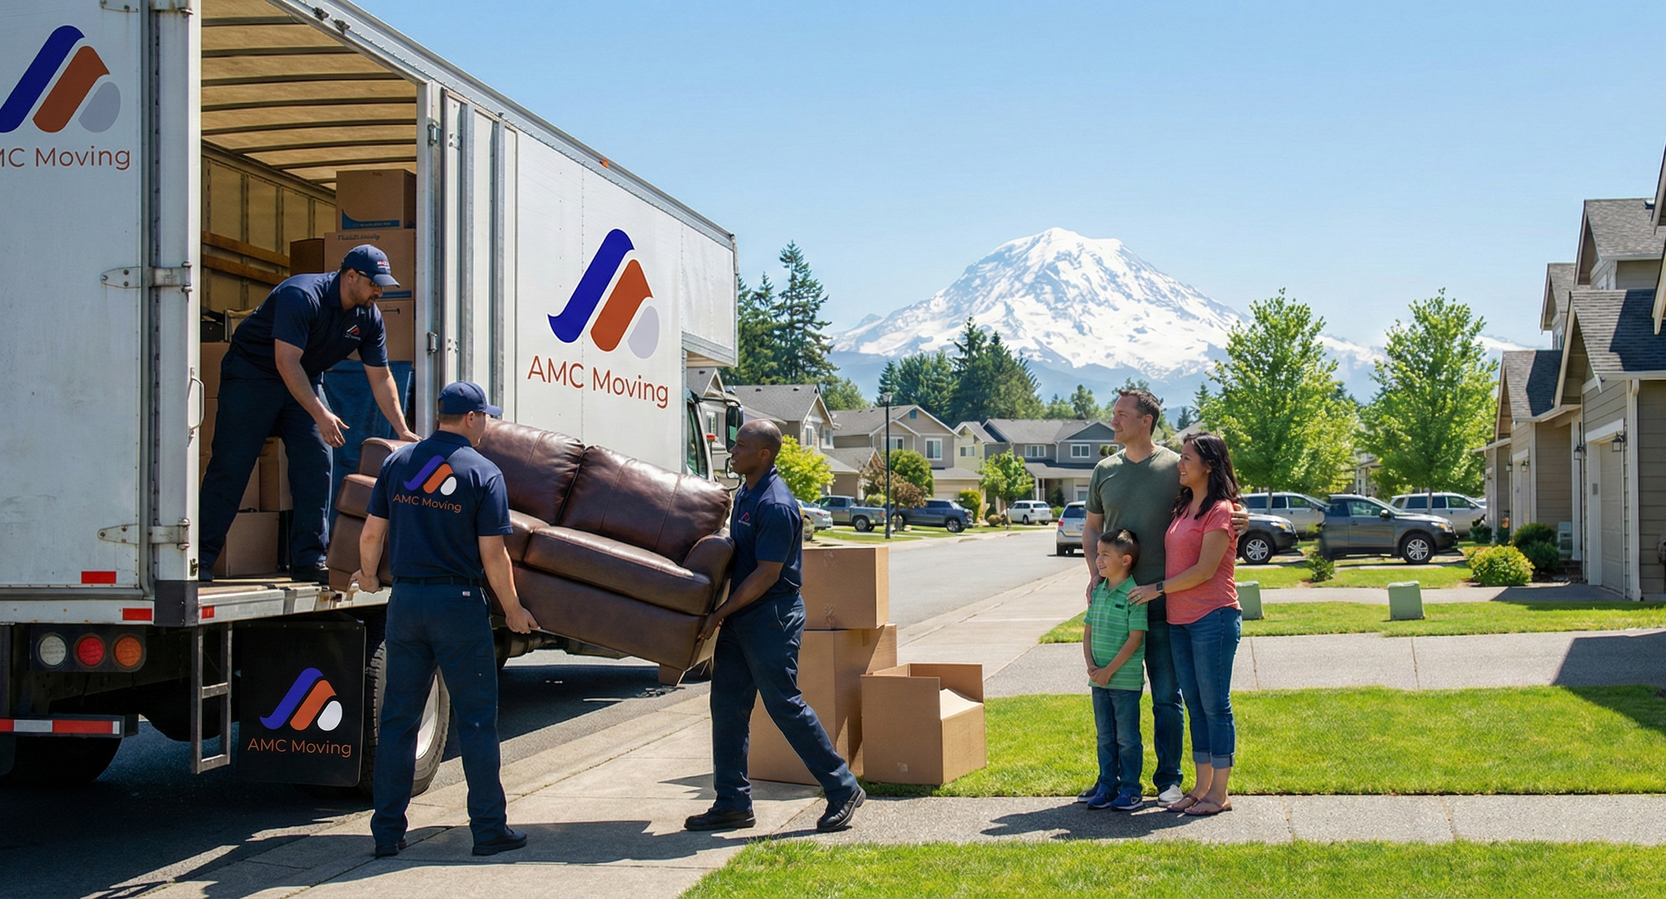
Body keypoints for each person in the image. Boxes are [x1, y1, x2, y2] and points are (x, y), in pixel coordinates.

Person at [351, 381, 540, 858]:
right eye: (487, 418)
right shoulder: (484, 472)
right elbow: (493, 556)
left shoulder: (397, 463)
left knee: (397, 721)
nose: (488, 426)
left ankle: (388, 833)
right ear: (473, 419)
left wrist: (369, 576)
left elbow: (373, 532)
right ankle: (488, 830)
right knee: (476, 720)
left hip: (407, 603)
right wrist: (514, 609)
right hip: (457, 604)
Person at [198, 244, 420, 583]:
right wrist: (320, 413)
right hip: (253, 375)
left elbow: (381, 376)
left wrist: (402, 430)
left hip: (304, 376)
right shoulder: (301, 295)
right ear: (349, 276)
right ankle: (201, 558)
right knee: (232, 465)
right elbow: (284, 361)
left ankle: (309, 559)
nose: (379, 291)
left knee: (317, 462)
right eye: (374, 283)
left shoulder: (368, 317)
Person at [685, 420, 865, 834]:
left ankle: (842, 787)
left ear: (764, 454)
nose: (733, 450)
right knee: (727, 706)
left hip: (771, 617)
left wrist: (719, 613)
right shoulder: (747, 491)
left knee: (784, 704)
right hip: (741, 615)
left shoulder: (777, 504)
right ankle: (732, 802)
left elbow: (766, 574)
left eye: (741, 445)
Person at [1082, 388, 1245, 808]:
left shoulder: (1176, 465)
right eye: (1113, 413)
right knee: (1116, 692)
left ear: (1145, 420)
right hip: (1120, 604)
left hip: (1170, 603)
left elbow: (1216, 498)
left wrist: (1242, 517)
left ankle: (1169, 780)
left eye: (1121, 414)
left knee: (1169, 697)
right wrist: (1096, 577)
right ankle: (1116, 779)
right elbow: (1091, 529)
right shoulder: (1105, 470)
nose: (1113, 420)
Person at [1129, 432, 1243, 817]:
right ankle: (1201, 787)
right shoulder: (1183, 508)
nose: (1180, 464)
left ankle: (1220, 794)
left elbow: (1204, 571)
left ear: (1209, 465)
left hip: (1214, 617)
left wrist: (1155, 589)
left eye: (1187, 458)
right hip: (1180, 621)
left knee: (1215, 706)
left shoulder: (1221, 511)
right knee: (1195, 704)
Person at [1076, 528, 1147, 812]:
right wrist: (1092, 666)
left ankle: (1130, 789)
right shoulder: (1099, 590)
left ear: (1126, 560)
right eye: (1097, 554)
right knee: (1104, 736)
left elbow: (1135, 638)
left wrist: (1109, 671)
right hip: (1099, 681)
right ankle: (1107, 785)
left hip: (1124, 682)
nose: (1098, 560)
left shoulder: (1135, 594)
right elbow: (1088, 631)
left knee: (1127, 739)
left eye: (1105, 555)